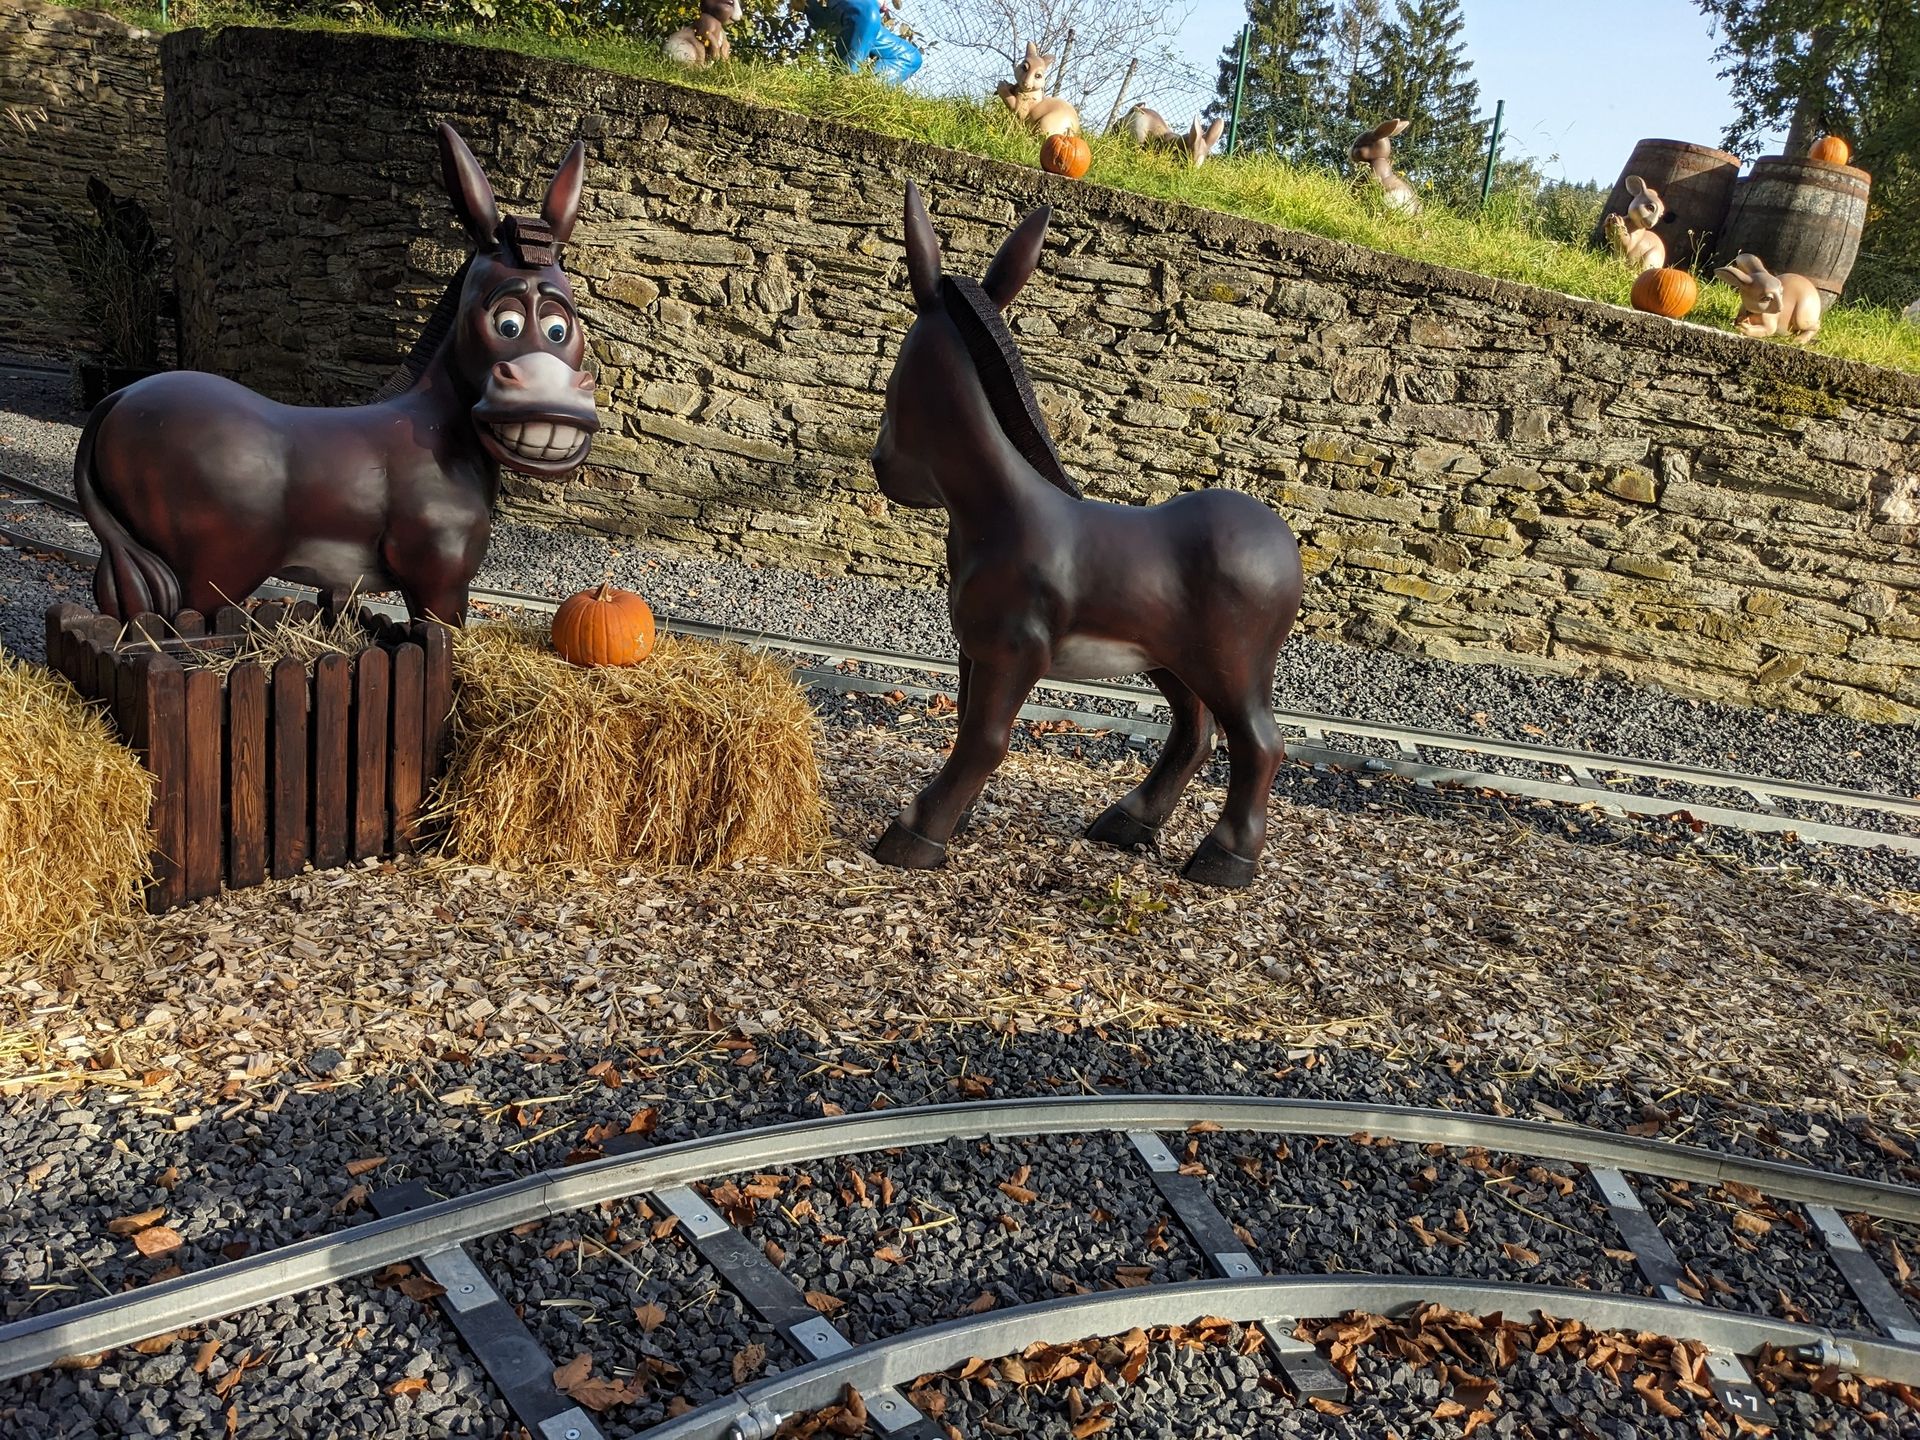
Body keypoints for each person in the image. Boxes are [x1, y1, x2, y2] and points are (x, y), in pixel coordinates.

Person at [805, 0, 923, 81]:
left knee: (910, 57)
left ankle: (862, 94)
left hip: (867, 18)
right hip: (848, 9)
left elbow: (897, 5)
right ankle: (842, 88)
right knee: (867, 13)